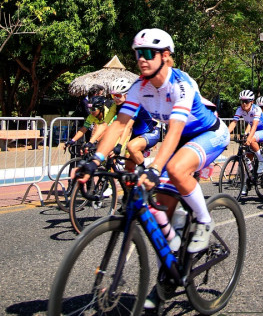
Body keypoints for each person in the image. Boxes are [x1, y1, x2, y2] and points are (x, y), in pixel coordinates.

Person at [75, 28, 229, 271]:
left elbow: (175, 131)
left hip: (209, 133)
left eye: (148, 53)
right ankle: (167, 277)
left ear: (165, 55)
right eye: (138, 54)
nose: (142, 59)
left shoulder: (180, 85)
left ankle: (204, 221)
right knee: (161, 215)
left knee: (176, 170)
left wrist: (155, 167)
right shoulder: (140, 86)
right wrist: (94, 161)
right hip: (181, 139)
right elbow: (119, 125)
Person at [227, 91, 263, 194]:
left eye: (246, 101)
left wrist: (249, 138)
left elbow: (254, 125)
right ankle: (246, 183)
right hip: (254, 131)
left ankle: (261, 160)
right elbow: (234, 123)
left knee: (251, 140)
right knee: (246, 158)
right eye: (242, 101)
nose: (243, 104)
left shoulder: (257, 109)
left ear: (252, 102)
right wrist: (225, 135)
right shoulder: (240, 109)